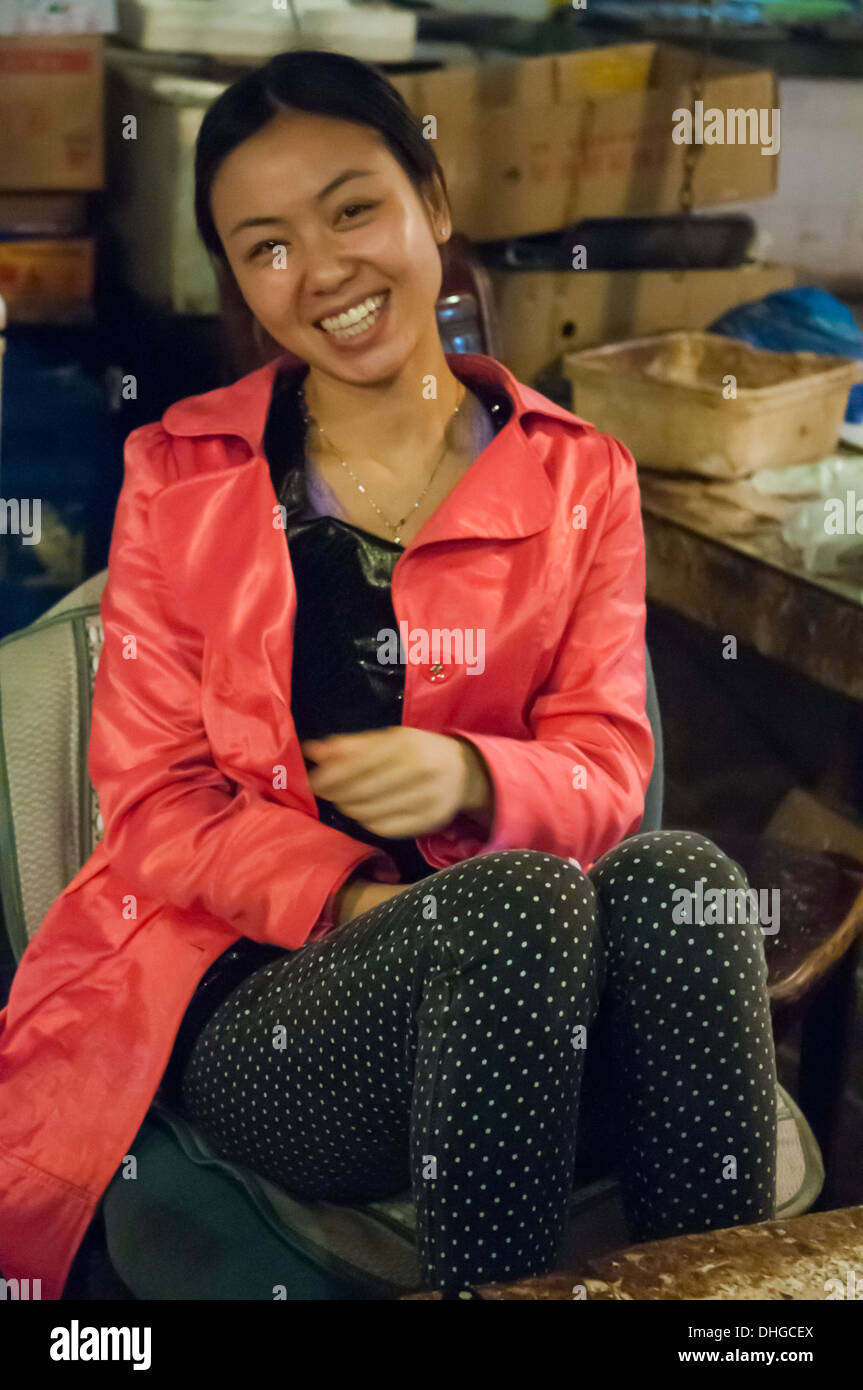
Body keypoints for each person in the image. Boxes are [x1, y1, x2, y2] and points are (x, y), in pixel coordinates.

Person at [0, 49, 777, 1301]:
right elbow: (152, 809)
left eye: (353, 207)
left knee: (682, 874)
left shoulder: (580, 477)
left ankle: (728, 1321)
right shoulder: (181, 476)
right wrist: (363, 906)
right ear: (243, 285)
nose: (320, 269)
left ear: (432, 201)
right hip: (276, 1014)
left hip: (527, 1007)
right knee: (512, 904)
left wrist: (474, 771)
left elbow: (607, 767)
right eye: (265, 246)